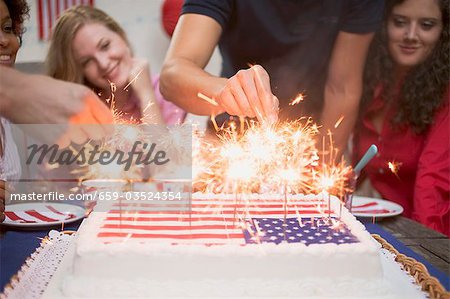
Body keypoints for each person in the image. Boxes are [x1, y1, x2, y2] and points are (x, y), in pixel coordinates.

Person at [160, 0, 384, 153]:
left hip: (308, 143)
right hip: (230, 142)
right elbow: (172, 74)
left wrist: (323, 167)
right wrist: (225, 93)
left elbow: (342, 88)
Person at [353, 0, 449, 236]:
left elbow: (433, 182)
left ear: (443, 32)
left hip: (421, 232)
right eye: (400, 22)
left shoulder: (445, 96)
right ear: (384, 24)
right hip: (375, 226)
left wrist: (426, 247)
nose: (411, 35)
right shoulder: (367, 81)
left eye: (426, 25)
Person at [46, 5, 185, 126]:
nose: (103, 63)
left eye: (105, 46)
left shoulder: (167, 91)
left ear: (121, 35)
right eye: (87, 61)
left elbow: (167, 155)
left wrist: (146, 94)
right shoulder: (83, 110)